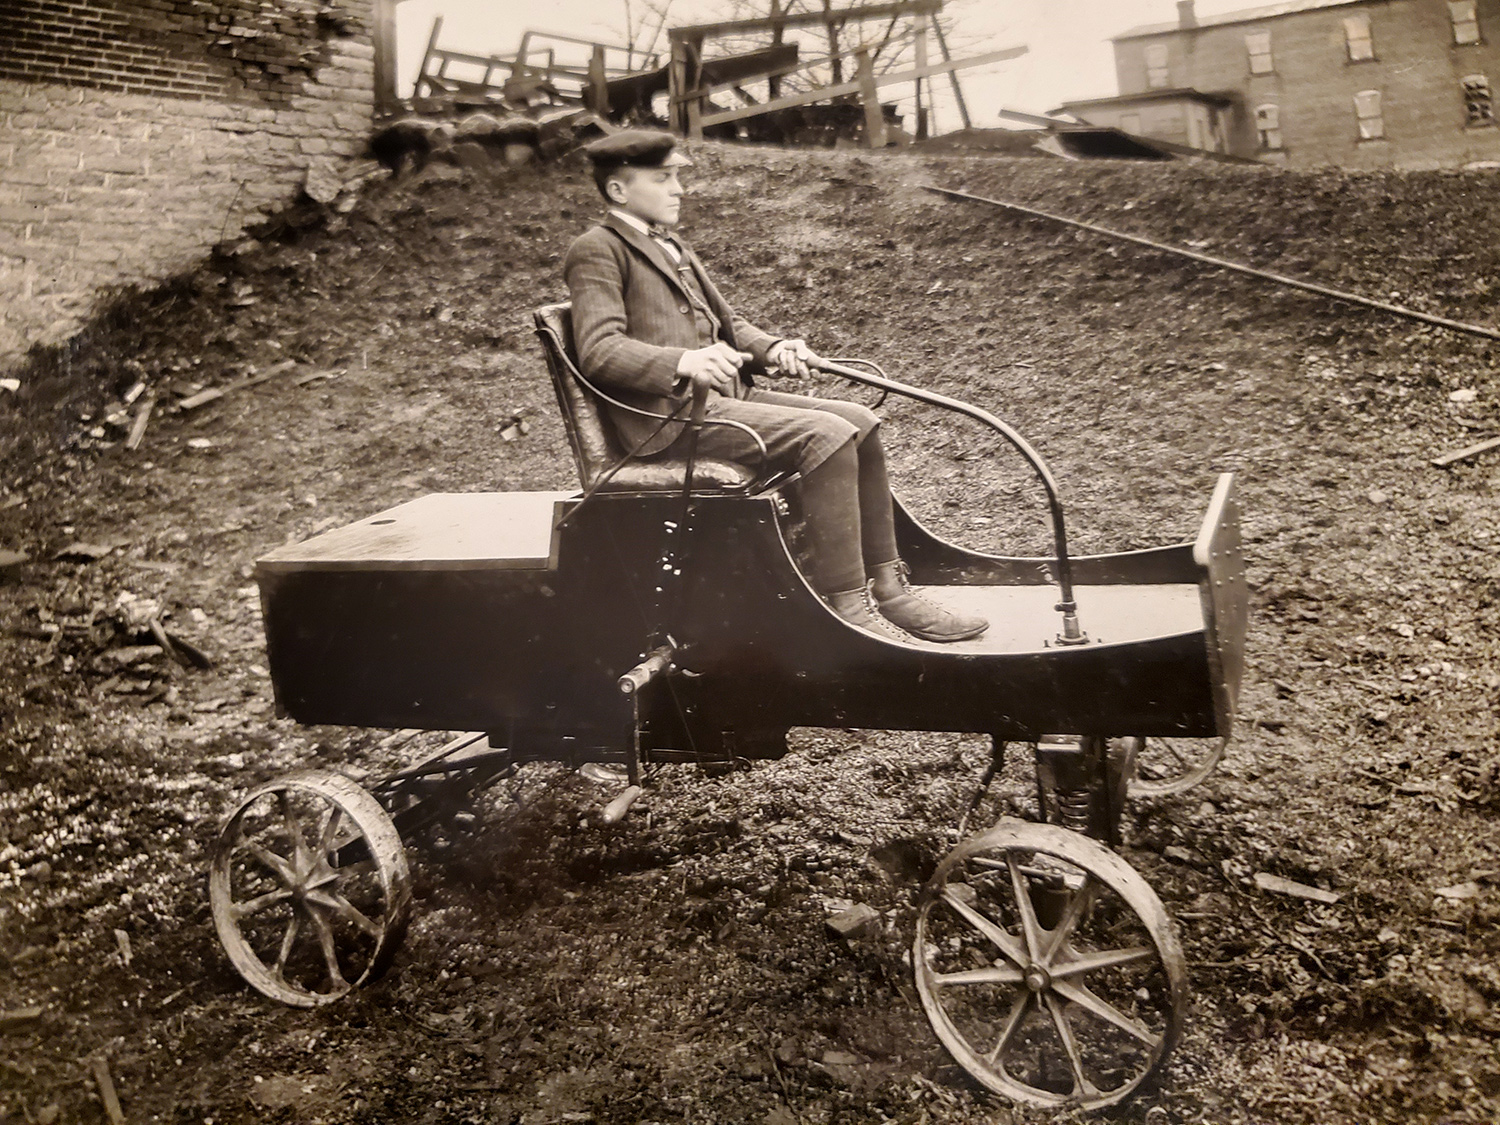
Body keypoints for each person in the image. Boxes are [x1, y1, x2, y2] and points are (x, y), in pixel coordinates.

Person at [562, 129, 987, 645]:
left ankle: (890, 590)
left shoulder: (672, 245)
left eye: (678, 177)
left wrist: (774, 348)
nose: (679, 189)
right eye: (663, 178)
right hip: (667, 422)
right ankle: (849, 607)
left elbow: (728, 324)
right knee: (825, 435)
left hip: (722, 402)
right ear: (618, 191)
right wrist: (686, 361)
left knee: (860, 422)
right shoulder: (598, 250)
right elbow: (599, 350)